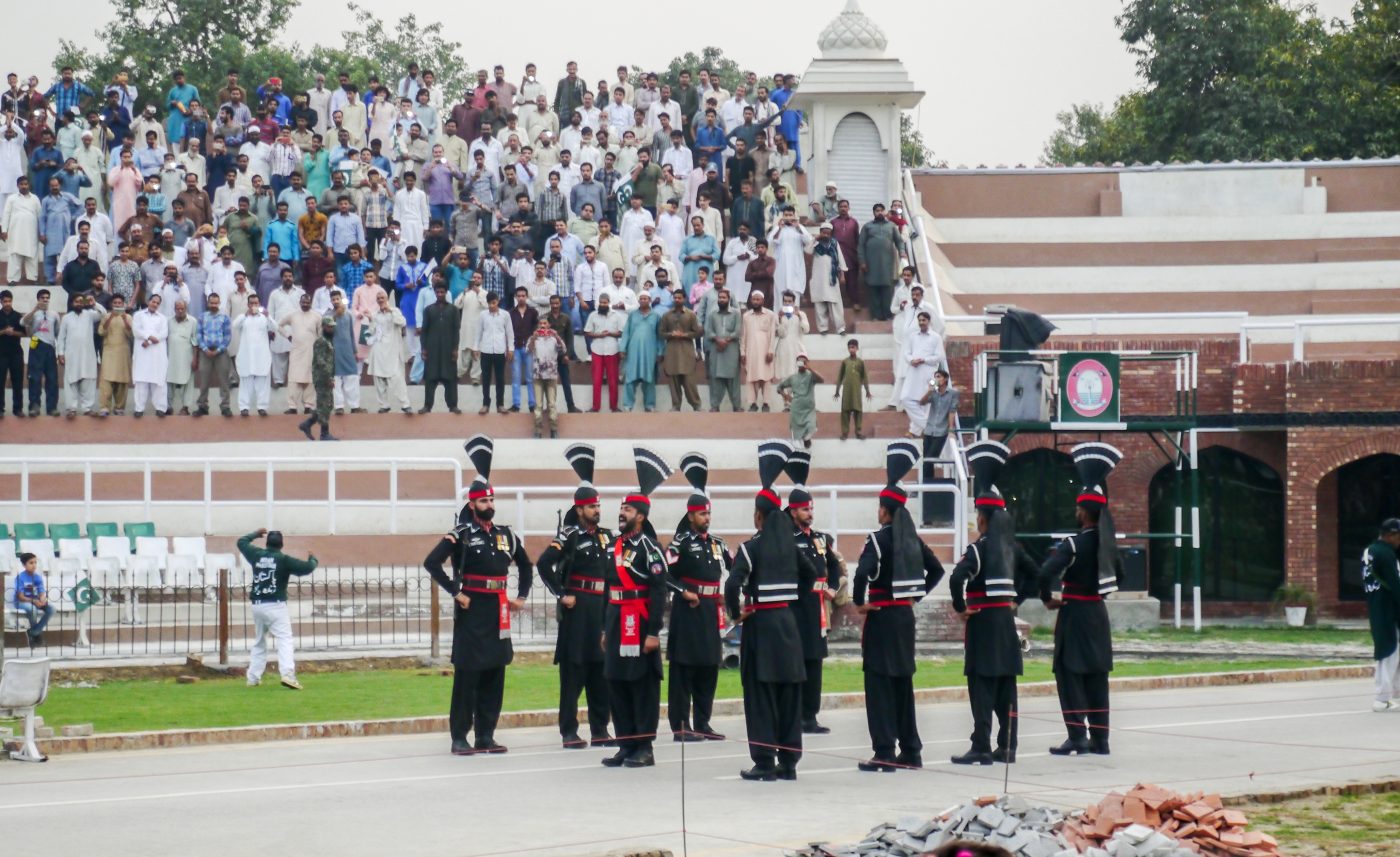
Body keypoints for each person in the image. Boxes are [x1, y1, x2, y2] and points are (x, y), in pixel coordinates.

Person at [423, 436, 533, 755]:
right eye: (483, 502)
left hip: (498, 609)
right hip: (472, 610)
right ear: (472, 504)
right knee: (468, 675)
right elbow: (432, 562)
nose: (490, 506)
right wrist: (456, 591)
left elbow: (526, 565)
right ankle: (460, 736)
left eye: (492, 501)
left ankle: (486, 734)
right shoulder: (461, 534)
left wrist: (522, 595)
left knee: (495, 673)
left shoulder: (505, 535)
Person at [851, 442, 946, 771]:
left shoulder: (878, 539)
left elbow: (862, 573)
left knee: (878, 685)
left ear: (885, 510)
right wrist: (914, 596)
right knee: (903, 685)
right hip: (904, 617)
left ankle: (884, 752)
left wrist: (860, 603)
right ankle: (911, 750)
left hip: (881, 618)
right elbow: (936, 570)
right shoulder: (912, 539)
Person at [725, 441, 814, 781]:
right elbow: (812, 575)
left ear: (759, 516)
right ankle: (789, 763)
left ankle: (764, 762)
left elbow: (732, 584)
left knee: (761, 696)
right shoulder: (792, 546)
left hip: (761, 627)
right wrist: (794, 599)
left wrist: (737, 613)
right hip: (788, 626)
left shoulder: (752, 547)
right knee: (789, 695)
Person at [1037, 443, 1125, 755]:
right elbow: (1121, 576)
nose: (1075, 512)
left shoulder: (1074, 544)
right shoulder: (1107, 543)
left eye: (1078, 508)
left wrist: (1048, 598)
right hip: (1097, 615)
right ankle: (1101, 740)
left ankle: (1077, 736)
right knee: (1097, 678)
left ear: (1084, 512)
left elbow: (1044, 572)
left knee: (1069, 673)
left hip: (1073, 614)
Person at [949, 441, 1034, 766]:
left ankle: (981, 745)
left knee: (982, 686)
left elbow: (957, 579)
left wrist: (960, 607)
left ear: (983, 519)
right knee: (1006, 687)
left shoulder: (979, 549)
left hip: (983, 621)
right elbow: (1037, 573)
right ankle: (1008, 745)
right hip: (1006, 621)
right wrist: (1016, 600)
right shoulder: (1012, 548)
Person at [535, 444, 616, 748]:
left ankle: (600, 728)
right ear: (580, 509)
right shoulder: (569, 535)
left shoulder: (608, 536)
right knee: (573, 672)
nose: (597, 510)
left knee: (600, 671)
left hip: (602, 608)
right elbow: (544, 564)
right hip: (578, 608)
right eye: (592, 506)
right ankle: (569, 730)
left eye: (599, 505)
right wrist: (560, 593)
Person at [600, 447, 673, 769]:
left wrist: (654, 632)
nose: (622, 513)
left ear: (641, 516)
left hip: (640, 624)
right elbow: (608, 588)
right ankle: (625, 743)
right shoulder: (613, 547)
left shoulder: (650, 549)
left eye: (627, 509)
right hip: (616, 622)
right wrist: (604, 627)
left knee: (641, 686)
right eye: (621, 508)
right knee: (616, 681)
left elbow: (659, 591)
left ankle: (645, 746)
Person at [665, 453, 731, 741]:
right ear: (691, 515)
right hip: (687, 611)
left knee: (708, 666)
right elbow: (664, 574)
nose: (707, 518)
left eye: (709, 513)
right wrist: (683, 591)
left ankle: (703, 722)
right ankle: (681, 725)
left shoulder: (717, 544)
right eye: (702, 514)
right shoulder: (680, 543)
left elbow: (735, 567)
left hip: (710, 610)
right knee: (685, 669)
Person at [783, 452, 846, 735]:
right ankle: (794, 715)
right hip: (796, 607)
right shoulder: (786, 538)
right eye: (805, 510)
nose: (810, 514)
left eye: (811, 509)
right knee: (796, 661)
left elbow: (834, 566)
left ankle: (811, 716)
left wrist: (832, 588)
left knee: (816, 661)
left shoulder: (820, 538)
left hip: (818, 608)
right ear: (793, 511)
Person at [237, 528, 319, 690]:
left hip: (257, 605)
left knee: (260, 641)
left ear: (267, 543)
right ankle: (287, 674)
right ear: (281, 545)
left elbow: (241, 542)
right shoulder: (284, 560)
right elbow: (306, 568)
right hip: (275, 604)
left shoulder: (256, 555)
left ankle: (253, 677)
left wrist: (254, 534)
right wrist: (313, 559)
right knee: (285, 639)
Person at [1363, 518, 1400, 712]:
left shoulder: (1369, 551)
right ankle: (1382, 697)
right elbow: (1395, 585)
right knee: (1390, 651)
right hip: (1389, 610)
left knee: (1390, 651)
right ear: (1391, 535)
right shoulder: (1386, 554)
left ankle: (1391, 694)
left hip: (1377, 607)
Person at [919, 370, 959, 523]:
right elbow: (921, 402)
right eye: (935, 377)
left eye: (939, 377)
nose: (937, 379)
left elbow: (952, 412)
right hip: (929, 429)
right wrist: (929, 391)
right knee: (926, 459)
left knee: (931, 457)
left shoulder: (953, 394)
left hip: (941, 430)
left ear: (946, 379)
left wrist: (950, 430)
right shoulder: (934, 393)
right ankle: (926, 486)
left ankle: (927, 487)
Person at [900, 310, 947, 436]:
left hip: (929, 372)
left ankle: (914, 431)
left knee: (925, 401)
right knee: (905, 398)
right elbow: (906, 353)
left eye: (924, 320)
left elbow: (940, 356)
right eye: (919, 320)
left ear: (929, 321)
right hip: (914, 371)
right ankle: (928, 426)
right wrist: (911, 360)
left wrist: (924, 360)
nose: (921, 323)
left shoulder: (936, 337)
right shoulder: (913, 336)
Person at [57, 291, 103, 417]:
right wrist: (60, 353)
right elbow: (61, 337)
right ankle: (71, 408)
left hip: (88, 354)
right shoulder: (66, 318)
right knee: (71, 380)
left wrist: (94, 304)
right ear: (72, 303)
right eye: (76, 301)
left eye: (81, 301)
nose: (79, 304)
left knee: (88, 380)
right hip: (71, 354)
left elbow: (103, 314)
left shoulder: (89, 315)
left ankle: (87, 408)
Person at [858, 204, 906, 321]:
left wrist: (902, 251)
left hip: (888, 264)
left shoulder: (891, 226)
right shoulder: (867, 227)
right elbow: (860, 245)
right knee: (873, 289)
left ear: (885, 212)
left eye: (881, 210)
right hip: (871, 264)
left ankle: (888, 315)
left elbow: (899, 241)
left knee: (887, 289)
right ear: (874, 213)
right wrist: (862, 262)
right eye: (877, 211)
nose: (879, 213)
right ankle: (876, 316)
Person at [420, 283, 462, 414]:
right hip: (432, 351)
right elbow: (424, 331)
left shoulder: (454, 310)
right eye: (437, 292)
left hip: (448, 350)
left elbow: (456, 330)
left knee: (450, 379)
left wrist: (455, 348)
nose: (440, 294)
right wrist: (423, 349)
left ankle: (453, 406)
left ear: (446, 292)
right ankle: (427, 406)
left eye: (442, 292)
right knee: (430, 379)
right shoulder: (428, 310)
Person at [367, 290, 412, 414]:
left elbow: (402, 322)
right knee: (379, 378)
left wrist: (390, 311)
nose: (381, 300)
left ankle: (405, 404)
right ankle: (384, 405)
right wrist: (370, 319)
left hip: (392, 349)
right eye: (379, 298)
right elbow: (371, 332)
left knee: (397, 377)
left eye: (382, 297)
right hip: (378, 349)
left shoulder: (395, 311)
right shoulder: (375, 314)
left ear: (387, 299)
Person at [658, 289, 702, 411]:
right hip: (671, 351)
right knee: (673, 380)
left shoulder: (691, 314)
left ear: (684, 299)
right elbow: (661, 333)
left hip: (686, 350)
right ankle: (676, 406)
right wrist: (671, 334)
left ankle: (696, 405)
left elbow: (697, 332)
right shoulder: (666, 315)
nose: (677, 300)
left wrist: (684, 335)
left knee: (689, 380)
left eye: (679, 298)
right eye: (675, 297)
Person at [279, 292, 321, 415]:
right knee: (293, 378)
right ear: (300, 302)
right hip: (296, 351)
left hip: (311, 351)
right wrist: (288, 335)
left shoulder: (317, 317)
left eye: (307, 303)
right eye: (303, 302)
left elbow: (320, 334)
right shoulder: (293, 315)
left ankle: (309, 406)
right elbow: (280, 325)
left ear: (311, 303)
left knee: (310, 378)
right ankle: (292, 406)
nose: (305, 304)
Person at [297, 315, 338, 441]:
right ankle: (324, 433)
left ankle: (307, 424)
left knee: (326, 405)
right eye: (329, 327)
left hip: (327, 377)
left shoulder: (328, 341)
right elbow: (321, 362)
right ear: (324, 327)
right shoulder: (321, 341)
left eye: (332, 327)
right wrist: (328, 378)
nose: (332, 329)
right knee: (324, 405)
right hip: (322, 378)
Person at [619, 290, 661, 412]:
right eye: (641, 299)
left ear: (650, 301)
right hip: (633, 352)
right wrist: (622, 348)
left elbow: (660, 337)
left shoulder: (656, 316)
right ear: (638, 301)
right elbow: (626, 332)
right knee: (630, 378)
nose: (643, 301)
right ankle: (627, 405)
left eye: (645, 299)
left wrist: (660, 352)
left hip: (650, 353)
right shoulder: (632, 315)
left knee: (649, 379)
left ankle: (649, 405)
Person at [526, 314, 567, 438]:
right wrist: (533, 337)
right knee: (538, 404)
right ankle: (538, 431)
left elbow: (563, 350)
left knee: (552, 404)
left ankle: (554, 430)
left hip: (551, 376)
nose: (543, 326)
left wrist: (557, 336)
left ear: (549, 325)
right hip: (538, 376)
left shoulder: (554, 338)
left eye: (545, 324)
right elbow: (528, 350)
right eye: (541, 324)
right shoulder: (534, 338)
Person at [233, 292, 274, 416]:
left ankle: (262, 407)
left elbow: (274, 327)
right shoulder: (243, 317)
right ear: (248, 304)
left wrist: (268, 316)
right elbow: (235, 325)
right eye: (251, 303)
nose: (254, 305)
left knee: (263, 381)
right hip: (246, 355)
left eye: (256, 303)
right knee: (245, 381)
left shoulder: (264, 317)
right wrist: (246, 315)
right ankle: (244, 407)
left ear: (259, 304)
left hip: (261, 355)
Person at [194, 291, 234, 417]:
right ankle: (202, 406)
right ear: (208, 302)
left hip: (220, 352)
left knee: (224, 380)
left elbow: (227, 336)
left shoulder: (225, 317)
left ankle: (225, 407)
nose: (213, 305)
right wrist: (205, 349)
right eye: (211, 302)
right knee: (204, 381)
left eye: (216, 303)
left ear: (219, 303)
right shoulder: (202, 317)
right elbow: (199, 334)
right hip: (205, 353)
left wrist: (218, 350)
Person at [583, 292, 624, 412]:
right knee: (596, 380)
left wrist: (610, 333)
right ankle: (595, 407)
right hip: (597, 350)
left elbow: (621, 332)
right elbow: (587, 332)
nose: (602, 304)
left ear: (609, 303)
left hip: (612, 350)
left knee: (613, 379)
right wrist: (599, 335)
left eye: (605, 303)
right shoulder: (593, 315)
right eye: (601, 302)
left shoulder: (616, 315)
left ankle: (614, 406)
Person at [131, 293, 170, 417]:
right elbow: (136, 330)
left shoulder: (162, 318)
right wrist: (148, 337)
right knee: (141, 380)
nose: (155, 304)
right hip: (142, 352)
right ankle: (139, 408)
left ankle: (160, 408)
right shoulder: (138, 315)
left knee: (158, 380)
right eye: (153, 301)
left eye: (158, 303)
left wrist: (149, 340)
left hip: (157, 353)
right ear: (148, 301)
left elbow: (163, 333)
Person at [704, 287, 742, 412]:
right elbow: (708, 331)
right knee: (715, 377)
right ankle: (715, 405)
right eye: (719, 298)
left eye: (724, 298)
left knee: (733, 378)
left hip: (731, 349)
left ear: (729, 299)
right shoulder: (712, 314)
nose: (721, 300)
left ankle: (737, 406)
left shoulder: (736, 313)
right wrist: (717, 339)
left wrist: (726, 340)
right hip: (716, 348)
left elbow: (737, 332)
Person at [739, 289, 777, 412]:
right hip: (751, 353)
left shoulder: (770, 315)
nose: (755, 302)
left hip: (766, 353)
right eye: (753, 299)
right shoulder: (746, 316)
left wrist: (771, 351)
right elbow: (743, 336)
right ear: (751, 300)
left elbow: (772, 335)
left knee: (766, 378)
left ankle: (766, 403)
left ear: (762, 301)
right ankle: (753, 403)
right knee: (751, 377)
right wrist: (742, 352)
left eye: (758, 299)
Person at [474, 291, 512, 414]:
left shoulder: (505, 315)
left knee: (500, 379)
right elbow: (478, 332)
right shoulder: (483, 315)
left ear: (498, 301)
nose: (491, 306)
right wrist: (476, 347)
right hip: (486, 350)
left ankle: (500, 404)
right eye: (489, 303)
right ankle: (485, 404)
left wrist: (510, 348)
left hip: (500, 351)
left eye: (494, 303)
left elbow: (510, 333)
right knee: (486, 378)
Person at [97, 295, 134, 416]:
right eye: (115, 303)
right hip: (109, 351)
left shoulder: (128, 317)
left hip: (123, 351)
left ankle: (119, 407)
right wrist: (110, 318)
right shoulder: (106, 316)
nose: (117, 305)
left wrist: (124, 320)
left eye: (120, 303)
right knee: (106, 379)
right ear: (112, 305)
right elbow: (101, 332)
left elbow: (132, 334)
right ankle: (104, 407)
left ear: (123, 304)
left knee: (122, 380)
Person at [808, 222, 847, 335]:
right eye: (823, 233)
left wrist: (842, 275)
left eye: (828, 233)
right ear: (820, 233)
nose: (825, 235)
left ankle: (840, 328)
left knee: (835, 304)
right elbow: (808, 250)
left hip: (832, 280)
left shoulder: (834, 243)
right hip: (818, 279)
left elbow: (840, 259)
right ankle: (823, 328)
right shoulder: (815, 244)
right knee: (820, 304)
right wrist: (815, 239)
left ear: (831, 234)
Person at [777, 355, 824, 448]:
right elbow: (779, 387)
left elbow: (822, 380)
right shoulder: (793, 377)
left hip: (809, 409)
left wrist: (810, 368)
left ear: (807, 362)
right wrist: (785, 396)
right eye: (799, 361)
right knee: (797, 433)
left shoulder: (811, 376)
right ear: (797, 363)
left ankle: (807, 439)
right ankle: (801, 448)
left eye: (803, 361)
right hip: (796, 409)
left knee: (812, 427)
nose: (801, 363)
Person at [1, 176, 41, 284]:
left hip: (31, 232)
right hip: (15, 232)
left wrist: (41, 232)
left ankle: (33, 278)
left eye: (26, 184)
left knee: (32, 255)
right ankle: (12, 279)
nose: (24, 186)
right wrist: (4, 230)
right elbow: (6, 214)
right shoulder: (12, 198)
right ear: (17, 185)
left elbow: (40, 216)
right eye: (21, 184)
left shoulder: (35, 199)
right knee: (15, 255)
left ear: (29, 185)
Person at [768, 207, 812, 301]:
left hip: (795, 266)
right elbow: (770, 242)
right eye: (786, 215)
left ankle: (794, 315)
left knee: (795, 291)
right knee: (780, 291)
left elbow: (809, 241)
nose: (788, 217)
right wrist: (779, 229)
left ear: (794, 215)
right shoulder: (777, 228)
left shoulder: (800, 228)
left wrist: (798, 227)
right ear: (783, 216)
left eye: (790, 215)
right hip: (781, 266)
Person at [12, 553, 55, 646]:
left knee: (52, 609)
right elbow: (21, 596)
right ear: (24, 565)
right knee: (32, 608)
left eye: (35, 562)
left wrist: (42, 600)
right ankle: (37, 635)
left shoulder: (37, 577)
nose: (34, 565)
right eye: (31, 563)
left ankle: (34, 632)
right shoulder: (20, 577)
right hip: (21, 602)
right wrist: (35, 601)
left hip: (35, 602)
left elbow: (41, 592)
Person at [167, 299, 198, 415]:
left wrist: (195, 359)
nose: (180, 311)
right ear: (174, 309)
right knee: (168, 381)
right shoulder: (168, 321)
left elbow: (195, 341)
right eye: (177, 309)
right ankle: (168, 406)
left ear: (186, 309)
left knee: (188, 382)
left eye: (182, 309)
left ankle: (185, 407)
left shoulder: (193, 321)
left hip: (187, 357)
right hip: (171, 357)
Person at [0, 289, 23, 417]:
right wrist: (4, 332)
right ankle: (0, 409)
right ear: (1, 302)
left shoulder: (18, 316)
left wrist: (13, 333)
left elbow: (25, 333)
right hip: (1, 353)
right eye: (5, 301)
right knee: (0, 382)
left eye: (9, 301)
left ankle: (18, 409)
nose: (7, 303)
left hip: (16, 353)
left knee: (17, 382)